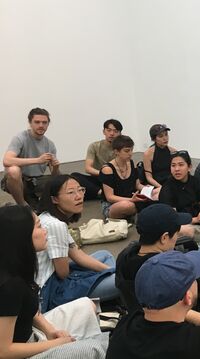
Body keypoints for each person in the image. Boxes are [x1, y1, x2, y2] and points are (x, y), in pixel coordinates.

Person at [0, 205, 108, 358]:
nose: (45, 231)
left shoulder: (13, 265)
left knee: (86, 305)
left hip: (32, 336)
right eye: (39, 227)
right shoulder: (9, 286)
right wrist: (56, 344)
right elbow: (4, 351)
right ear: (21, 236)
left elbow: (27, 308)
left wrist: (51, 331)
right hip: (21, 352)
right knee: (95, 348)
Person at [36, 175, 118, 312]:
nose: (79, 196)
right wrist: (112, 275)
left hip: (52, 280)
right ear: (54, 199)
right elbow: (63, 273)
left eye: (80, 190)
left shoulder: (47, 217)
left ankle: (110, 284)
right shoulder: (55, 225)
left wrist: (110, 271)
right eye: (71, 192)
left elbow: (78, 255)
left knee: (104, 255)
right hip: (50, 292)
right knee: (125, 282)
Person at [2, 108, 59, 207]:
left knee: (66, 181)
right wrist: (38, 160)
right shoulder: (20, 138)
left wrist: (56, 167)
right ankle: (22, 205)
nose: (41, 125)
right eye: (37, 122)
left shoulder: (50, 144)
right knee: (13, 171)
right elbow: (7, 160)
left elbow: (55, 175)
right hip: (20, 180)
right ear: (30, 123)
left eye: (44, 122)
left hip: (37, 181)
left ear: (48, 124)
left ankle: (30, 202)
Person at [99, 135, 154, 219]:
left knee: (157, 192)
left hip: (132, 198)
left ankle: (137, 214)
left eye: (131, 150)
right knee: (127, 205)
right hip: (113, 204)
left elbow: (137, 185)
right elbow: (110, 197)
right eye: (127, 151)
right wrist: (131, 200)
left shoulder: (130, 163)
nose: (130, 153)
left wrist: (148, 190)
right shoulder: (107, 169)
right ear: (116, 151)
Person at [71, 119, 123, 200]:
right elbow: (88, 168)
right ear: (104, 131)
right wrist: (105, 174)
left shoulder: (122, 147)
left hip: (115, 179)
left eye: (115, 131)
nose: (112, 134)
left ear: (120, 133)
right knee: (75, 176)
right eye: (109, 130)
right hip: (99, 178)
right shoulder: (94, 146)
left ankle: (97, 193)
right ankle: (102, 193)